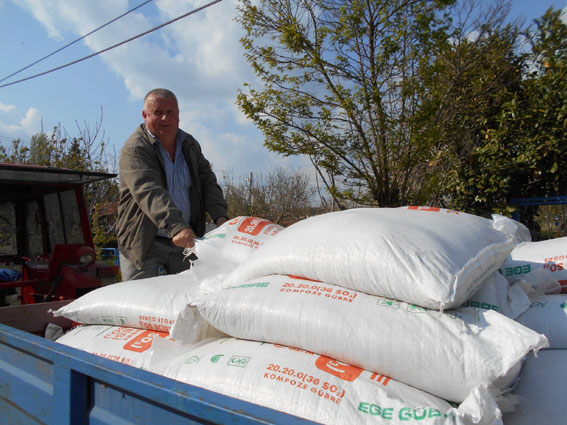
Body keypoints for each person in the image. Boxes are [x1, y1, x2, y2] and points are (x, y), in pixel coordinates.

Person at [117, 88, 228, 281]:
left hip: (185, 240)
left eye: (170, 112)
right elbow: (148, 190)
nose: (164, 118)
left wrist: (221, 217)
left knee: (190, 297)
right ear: (145, 115)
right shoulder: (135, 148)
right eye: (157, 112)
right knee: (140, 300)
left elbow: (207, 181)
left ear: (178, 115)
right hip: (144, 241)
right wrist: (176, 226)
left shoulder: (190, 145)